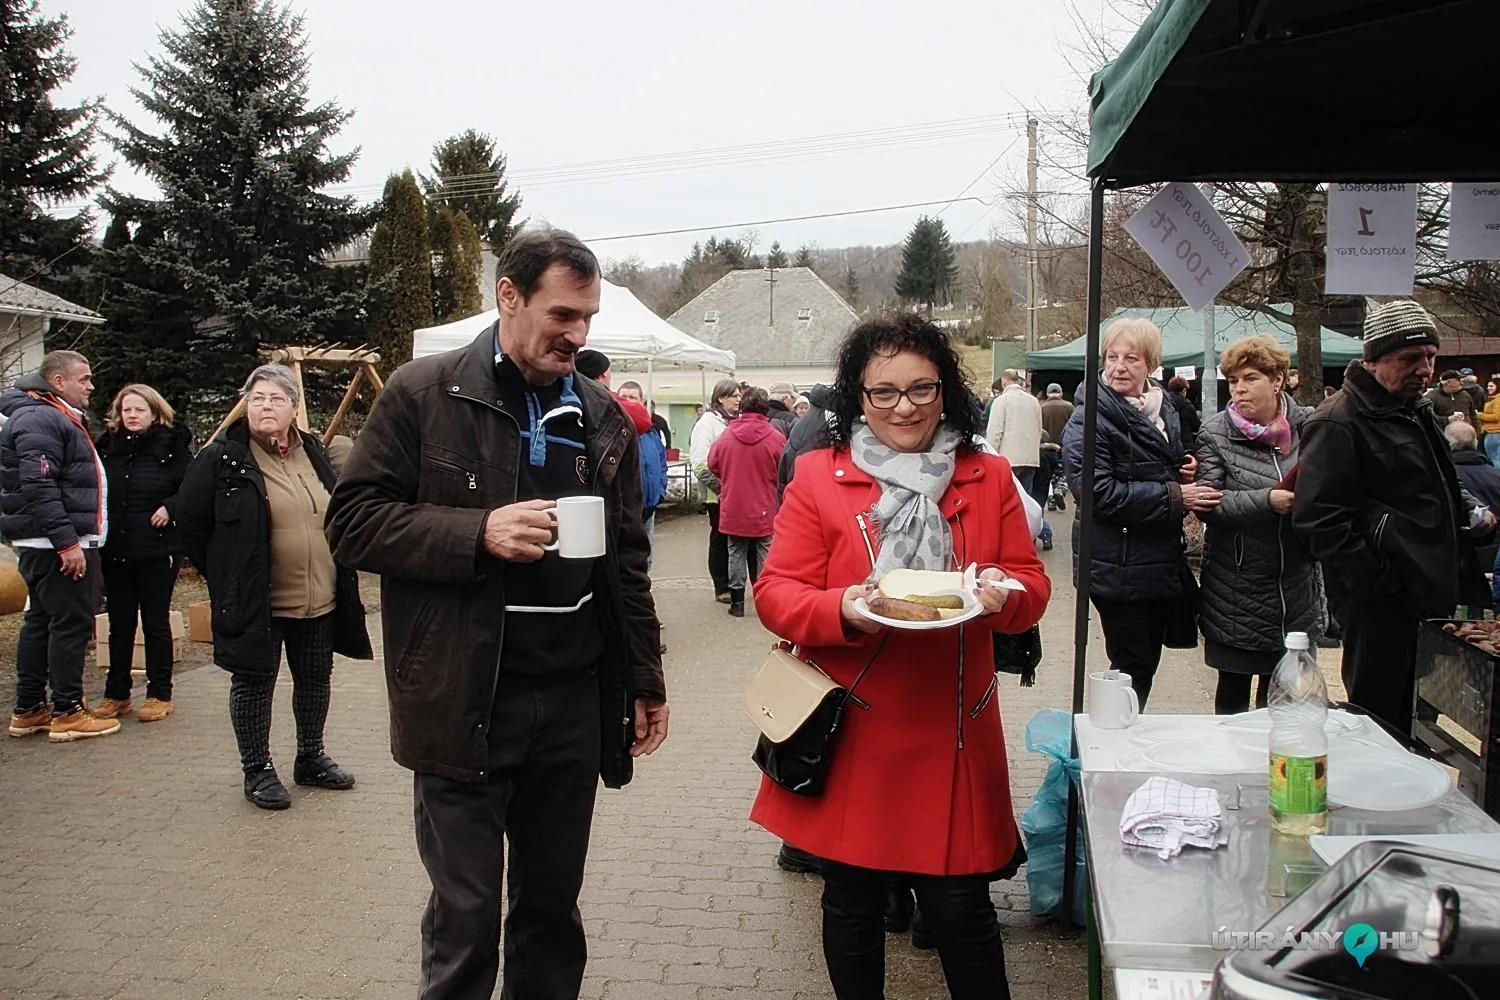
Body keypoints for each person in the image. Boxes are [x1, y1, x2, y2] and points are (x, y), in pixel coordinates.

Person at [324, 228, 667, 1000]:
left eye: (588, 317)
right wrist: (476, 532)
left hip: (574, 699)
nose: (578, 335)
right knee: (467, 916)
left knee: (550, 913)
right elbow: (351, 524)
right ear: (508, 298)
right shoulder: (422, 392)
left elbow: (629, 565)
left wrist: (644, 678)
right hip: (463, 694)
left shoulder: (604, 414)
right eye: (562, 315)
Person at [752, 312, 1050, 1000]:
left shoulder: (988, 474)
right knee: (851, 904)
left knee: (962, 912)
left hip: (953, 732)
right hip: (854, 728)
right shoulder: (819, 476)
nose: (903, 407)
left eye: (921, 388)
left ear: (945, 391)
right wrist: (842, 609)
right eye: (882, 392)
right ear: (857, 397)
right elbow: (776, 594)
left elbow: (1031, 588)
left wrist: (1003, 595)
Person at [1294, 300, 1495, 736]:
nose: (1424, 369)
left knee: (1417, 722)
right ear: (1373, 360)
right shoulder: (1337, 422)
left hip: (1427, 594)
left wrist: (1468, 517)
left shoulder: (1416, 410)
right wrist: (1382, 579)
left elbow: (1435, 484)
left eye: (1430, 357)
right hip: (1380, 605)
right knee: (1378, 724)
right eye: (1409, 359)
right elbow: (1318, 522)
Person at [177, 364, 372, 808]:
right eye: (258, 398)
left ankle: (311, 757)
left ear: (294, 408)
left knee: (315, 680)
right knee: (253, 684)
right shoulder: (223, 457)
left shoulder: (315, 451)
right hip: (258, 601)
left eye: (276, 399)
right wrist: (225, 575)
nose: (266, 406)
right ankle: (258, 770)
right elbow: (190, 522)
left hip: (318, 596)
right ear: (246, 405)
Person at [1062, 318, 1220, 709]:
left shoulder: (1162, 407)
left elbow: (1156, 461)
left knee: (1144, 661)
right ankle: (1108, 743)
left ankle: (1119, 735)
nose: (1119, 366)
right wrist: (1175, 496)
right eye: (1112, 357)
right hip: (1115, 561)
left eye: (1131, 358)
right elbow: (1096, 493)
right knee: (1133, 662)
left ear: (1150, 364)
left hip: (1153, 558)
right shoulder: (1089, 418)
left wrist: (1184, 465)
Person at [1194, 336, 1322, 715]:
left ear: (1279, 380)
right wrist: (1268, 501)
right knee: (1232, 699)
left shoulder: (1310, 425)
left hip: (1296, 584)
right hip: (1238, 588)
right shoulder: (1215, 434)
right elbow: (1208, 503)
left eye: (1250, 378)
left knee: (1284, 700)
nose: (1240, 389)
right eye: (1233, 381)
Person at [2, 350, 118, 741]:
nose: (90, 386)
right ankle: (68, 711)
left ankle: (30, 708)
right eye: (83, 379)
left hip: (46, 540)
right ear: (58, 382)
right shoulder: (42, 417)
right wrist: (67, 543)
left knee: (40, 621)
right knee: (70, 622)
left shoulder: (50, 414)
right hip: (57, 543)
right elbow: (39, 483)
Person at [94, 384, 191, 723]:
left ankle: (159, 693)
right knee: (119, 623)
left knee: (155, 621)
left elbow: (191, 488)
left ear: (154, 412)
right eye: (127, 410)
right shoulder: (106, 447)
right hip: (116, 548)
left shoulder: (172, 446)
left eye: (139, 410)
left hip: (157, 546)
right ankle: (116, 694)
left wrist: (170, 507)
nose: (132, 416)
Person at [707, 386, 784, 618]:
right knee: (764, 553)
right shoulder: (775, 437)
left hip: (734, 505)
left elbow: (713, 463)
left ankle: (737, 602)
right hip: (764, 506)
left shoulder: (727, 434)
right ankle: (764, 602)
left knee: (736, 553)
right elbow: (785, 468)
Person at [689, 379, 742, 603]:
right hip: (716, 494)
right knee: (720, 539)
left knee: (736, 540)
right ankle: (721, 587)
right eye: (734, 395)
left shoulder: (734, 422)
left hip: (736, 493)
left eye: (740, 395)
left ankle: (735, 583)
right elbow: (699, 463)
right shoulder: (707, 423)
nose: (739, 399)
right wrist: (721, 488)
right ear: (721, 397)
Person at [617, 380, 668, 561]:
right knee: (627, 557)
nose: (629, 401)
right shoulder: (614, 430)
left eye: (633, 397)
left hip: (649, 507)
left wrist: (660, 491)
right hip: (626, 508)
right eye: (624, 397)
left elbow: (661, 463)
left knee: (647, 557)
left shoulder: (651, 433)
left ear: (642, 401)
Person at [1445, 420, 1500, 573]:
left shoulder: (1440, 479)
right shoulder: (1496, 476)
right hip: (1493, 559)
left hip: (1456, 562)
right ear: (1476, 443)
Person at [1165, 375, 1202, 451]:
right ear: (1184, 390)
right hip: (1185, 446)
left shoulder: (1164, 402)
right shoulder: (1186, 405)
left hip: (1168, 444)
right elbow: (1196, 426)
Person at [1479, 378, 1500, 463]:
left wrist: (1479, 415)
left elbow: (1496, 417)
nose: (1488, 388)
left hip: (1494, 433)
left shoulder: (1498, 400)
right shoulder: (1493, 399)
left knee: (1494, 459)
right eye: (1488, 386)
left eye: (1491, 386)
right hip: (1491, 433)